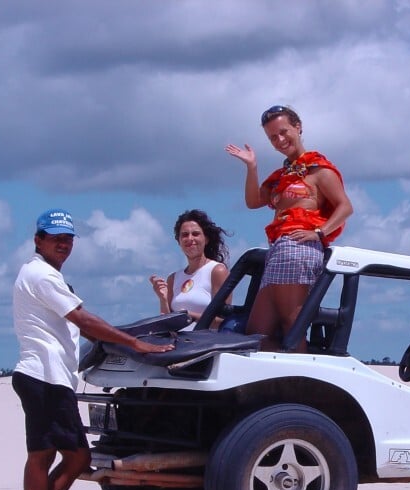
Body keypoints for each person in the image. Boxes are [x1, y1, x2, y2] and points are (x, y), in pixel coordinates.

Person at [12, 209, 174, 490]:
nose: (63, 244)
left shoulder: (49, 277)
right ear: (38, 240)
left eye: (68, 238)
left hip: (53, 377)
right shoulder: (41, 276)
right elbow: (82, 318)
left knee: (66, 456)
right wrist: (135, 344)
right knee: (58, 456)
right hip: (43, 376)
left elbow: (81, 327)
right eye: (55, 237)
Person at [226, 104, 353, 351]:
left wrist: (318, 232)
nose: (280, 140)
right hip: (278, 250)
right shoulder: (281, 176)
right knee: (257, 335)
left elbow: (345, 207)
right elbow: (253, 202)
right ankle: (280, 382)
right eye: (273, 137)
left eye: (284, 132)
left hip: (298, 250)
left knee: (291, 326)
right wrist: (251, 167)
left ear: (298, 127)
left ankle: (303, 383)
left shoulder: (319, 170)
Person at [149, 209, 230, 329]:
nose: (190, 238)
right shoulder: (173, 278)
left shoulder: (217, 271)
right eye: (185, 235)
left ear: (206, 239)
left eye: (195, 234)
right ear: (179, 241)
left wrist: (188, 315)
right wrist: (163, 300)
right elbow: (166, 325)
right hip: (178, 344)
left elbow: (222, 320)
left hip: (206, 344)